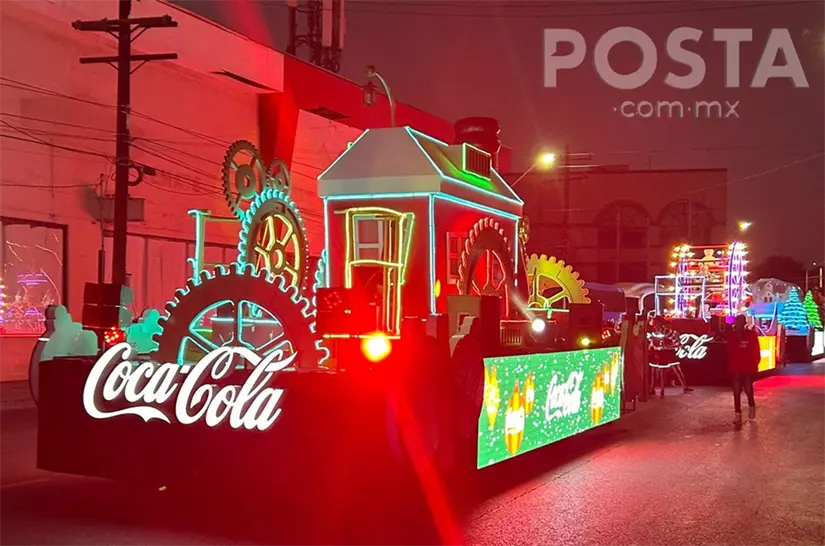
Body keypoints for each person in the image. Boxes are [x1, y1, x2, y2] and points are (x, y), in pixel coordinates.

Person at [726, 314, 761, 426]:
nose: (738, 325)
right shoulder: (732, 335)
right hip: (736, 366)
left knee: (748, 389)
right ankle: (738, 414)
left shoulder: (751, 335)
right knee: (736, 391)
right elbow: (729, 350)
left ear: (744, 323)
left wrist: (755, 363)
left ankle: (751, 405)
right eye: (737, 322)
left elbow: (755, 349)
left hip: (747, 366)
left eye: (741, 322)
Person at [647, 316, 692, 397]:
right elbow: (651, 341)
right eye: (654, 322)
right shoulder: (653, 331)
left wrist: (669, 346)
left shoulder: (667, 332)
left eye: (656, 322)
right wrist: (651, 347)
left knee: (675, 369)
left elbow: (676, 340)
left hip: (667, 353)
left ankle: (683, 387)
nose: (655, 324)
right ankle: (652, 388)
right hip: (657, 352)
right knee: (654, 371)